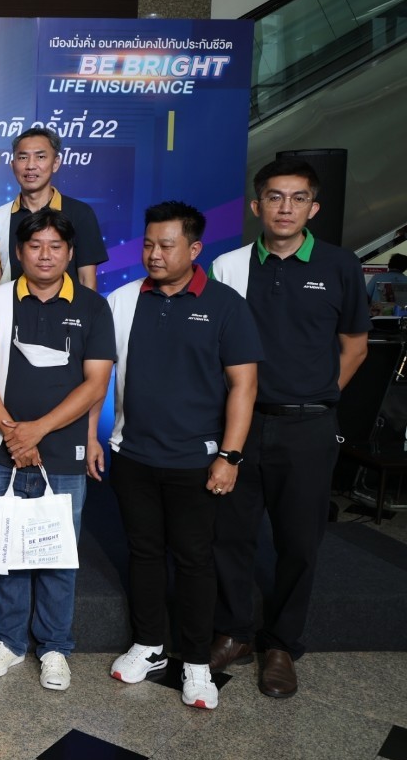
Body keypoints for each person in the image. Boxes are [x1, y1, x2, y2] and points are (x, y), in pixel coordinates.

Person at [208, 158, 370, 698]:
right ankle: (234, 632)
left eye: (298, 198)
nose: (285, 207)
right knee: (230, 534)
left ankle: (280, 644)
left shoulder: (340, 265)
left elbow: (355, 346)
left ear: (313, 208)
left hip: (308, 428)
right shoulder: (230, 266)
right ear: (257, 206)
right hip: (242, 424)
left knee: (299, 542)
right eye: (275, 197)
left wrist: (318, 394)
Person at [92, 201, 262, 711]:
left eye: (166, 246)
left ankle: (196, 661)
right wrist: (93, 436)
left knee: (194, 560)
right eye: (148, 244)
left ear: (194, 248)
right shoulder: (123, 300)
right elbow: (98, 376)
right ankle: (149, 645)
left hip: (197, 461)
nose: (154, 254)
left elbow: (244, 385)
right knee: (143, 553)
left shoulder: (226, 305)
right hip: (133, 455)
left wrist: (230, 455)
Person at [0, 208, 115, 692]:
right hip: (1, 450)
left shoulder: (93, 307)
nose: (45, 255)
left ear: (70, 253)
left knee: (58, 553)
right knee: (7, 548)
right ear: (19, 252)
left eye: (56, 246)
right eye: (35, 246)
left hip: (64, 451)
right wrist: (15, 434)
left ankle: (55, 647)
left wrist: (37, 432)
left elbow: (96, 384)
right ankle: (9, 641)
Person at [0, 127, 109, 290]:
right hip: (11, 306)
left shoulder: (81, 213)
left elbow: (87, 280)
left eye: (40, 157)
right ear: (13, 165)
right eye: (23, 157)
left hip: (68, 306)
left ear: (55, 163)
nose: (30, 165)